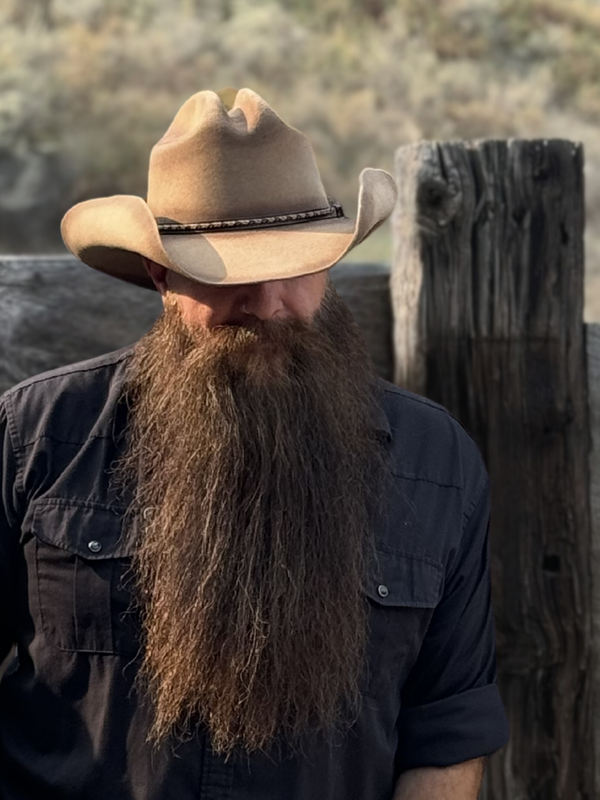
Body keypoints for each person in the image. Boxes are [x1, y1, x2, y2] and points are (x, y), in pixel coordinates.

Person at [0, 87, 509, 799]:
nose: (270, 304)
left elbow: (447, 730)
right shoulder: (38, 436)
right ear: (161, 273)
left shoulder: (435, 464)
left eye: (298, 264)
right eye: (231, 272)